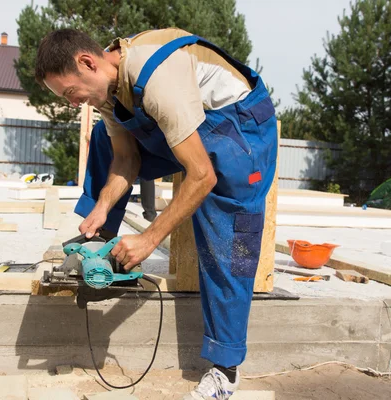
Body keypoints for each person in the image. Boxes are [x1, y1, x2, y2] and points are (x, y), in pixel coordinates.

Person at [35, 28, 277, 400]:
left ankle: (225, 370)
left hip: (238, 128)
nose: (72, 103)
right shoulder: (108, 90)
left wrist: (148, 239)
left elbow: (202, 175)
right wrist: (102, 207)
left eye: (70, 92)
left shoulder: (158, 77)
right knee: (104, 136)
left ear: (87, 63)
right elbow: (127, 159)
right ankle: (99, 245)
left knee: (230, 240)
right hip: (193, 122)